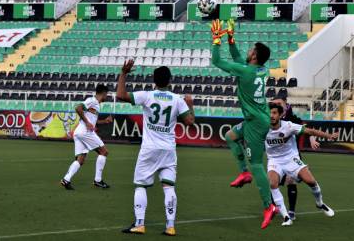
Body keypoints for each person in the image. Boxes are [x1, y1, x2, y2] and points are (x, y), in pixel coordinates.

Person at [210, 18, 277, 229]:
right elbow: (240, 59)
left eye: (251, 50)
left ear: (254, 56)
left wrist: (216, 40)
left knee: (257, 163)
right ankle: (243, 172)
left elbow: (217, 62)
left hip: (255, 123)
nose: (248, 51)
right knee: (230, 136)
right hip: (256, 118)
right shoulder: (260, 70)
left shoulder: (247, 71)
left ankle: (269, 206)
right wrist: (231, 38)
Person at [117, 60, 195, 236]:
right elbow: (190, 122)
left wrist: (124, 73)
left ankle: (139, 224)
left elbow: (121, 95)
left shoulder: (147, 95)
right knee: (168, 187)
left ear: (154, 80)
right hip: (168, 149)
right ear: (170, 81)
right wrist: (190, 104)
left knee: (140, 185)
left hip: (150, 148)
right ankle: (170, 226)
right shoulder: (177, 100)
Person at [265, 103, 337, 226]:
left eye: (274, 113)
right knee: (272, 184)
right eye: (269, 113)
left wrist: (329, 136)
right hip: (274, 160)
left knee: (311, 181)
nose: (271, 116)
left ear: (280, 115)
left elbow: (310, 130)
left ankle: (319, 203)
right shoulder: (262, 127)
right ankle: (286, 217)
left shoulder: (288, 126)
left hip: (291, 159)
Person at [271, 96, 319, 220]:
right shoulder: (270, 118)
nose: (276, 105)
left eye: (279, 103)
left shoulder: (292, 119)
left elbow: (306, 128)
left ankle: (291, 211)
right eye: (274, 103)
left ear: (285, 105)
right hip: (276, 157)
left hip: (292, 156)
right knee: (273, 183)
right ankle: (272, 208)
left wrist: (312, 138)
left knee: (290, 181)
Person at [61, 84, 113, 190]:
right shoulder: (92, 100)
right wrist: (87, 122)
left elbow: (92, 121)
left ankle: (66, 180)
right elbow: (78, 108)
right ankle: (98, 181)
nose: (106, 97)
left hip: (79, 132)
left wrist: (104, 121)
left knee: (81, 159)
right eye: (106, 94)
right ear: (103, 93)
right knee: (104, 152)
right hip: (85, 132)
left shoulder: (96, 105)